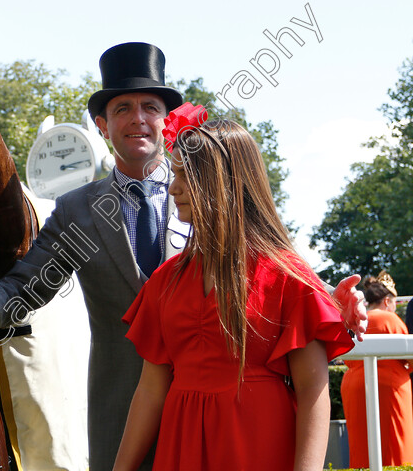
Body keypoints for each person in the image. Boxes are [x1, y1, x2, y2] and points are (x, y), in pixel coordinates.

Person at [0, 43, 368, 470]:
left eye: (150, 107)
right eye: (122, 108)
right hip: (121, 414)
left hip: (236, 423)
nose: (138, 118)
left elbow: (273, 270)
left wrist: (333, 305)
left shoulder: (211, 184)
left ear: (167, 120)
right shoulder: (80, 211)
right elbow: (25, 290)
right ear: (101, 125)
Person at [113, 117, 355, 470]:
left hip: (259, 445)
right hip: (182, 449)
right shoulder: (165, 281)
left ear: (223, 183)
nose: (173, 188)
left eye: (184, 176)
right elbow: (150, 390)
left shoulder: (287, 276)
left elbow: (313, 392)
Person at [341, 271, 413, 468]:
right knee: (394, 447)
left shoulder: (355, 319)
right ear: (388, 301)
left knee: (361, 447)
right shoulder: (392, 320)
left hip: (353, 386)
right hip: (389, 388)